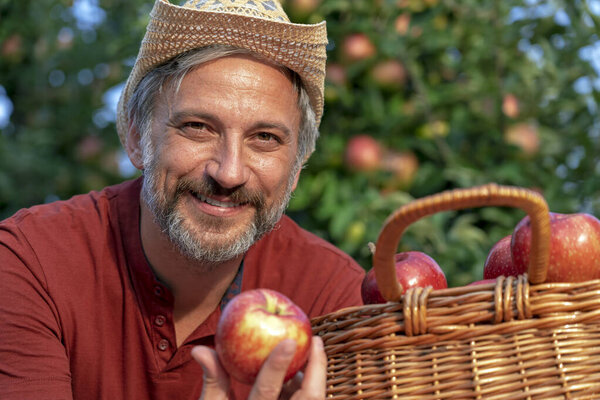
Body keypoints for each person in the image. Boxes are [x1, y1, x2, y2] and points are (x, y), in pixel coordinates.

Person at [0, 0, 366, 399]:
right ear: (138, 138)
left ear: (296, 168)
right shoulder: (31, 263)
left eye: (265, 138)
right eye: (198, 127)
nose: (228, 173)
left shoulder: (335, 300)